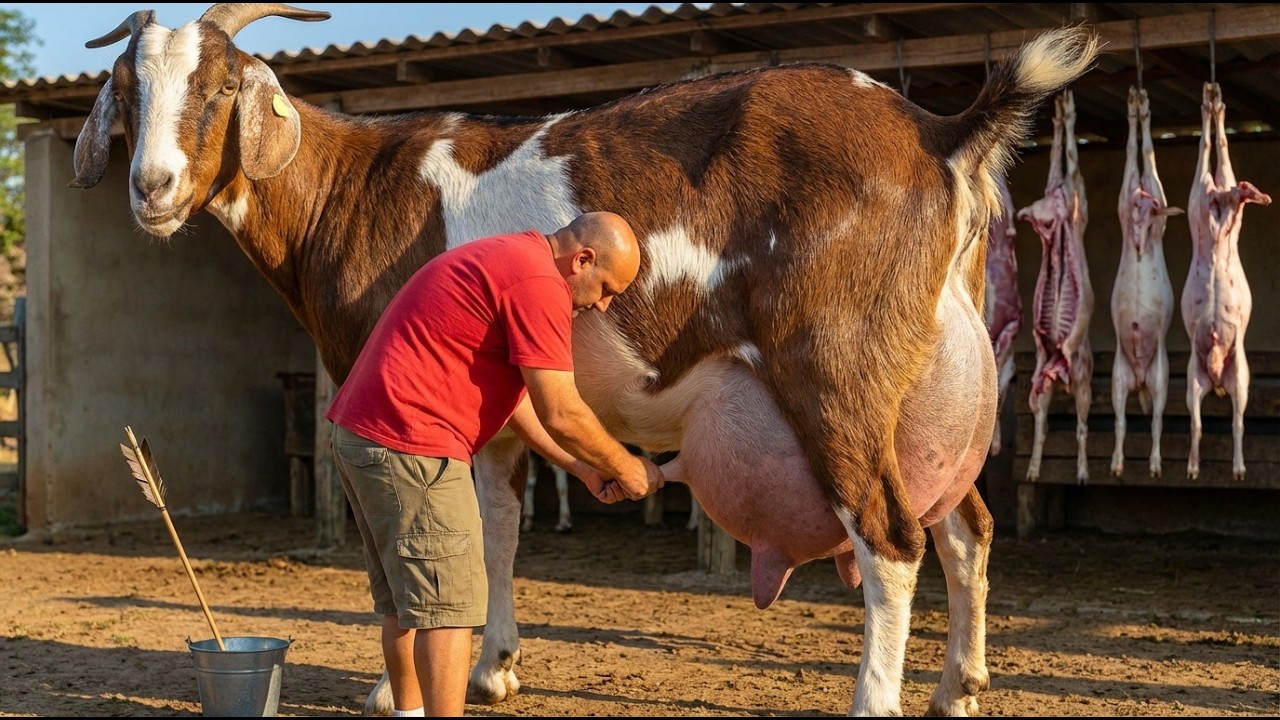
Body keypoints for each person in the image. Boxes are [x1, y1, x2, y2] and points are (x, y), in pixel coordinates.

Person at [325, 211, 666, 717]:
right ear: (583, 260)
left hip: (363, 435)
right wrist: (627, 464)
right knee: (450, 609)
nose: (603, 304)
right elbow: (562, 409)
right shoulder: (539, 283)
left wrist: (584, 468)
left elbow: (519, 404)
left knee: (408, 604)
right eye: (606, 287)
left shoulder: (510, 259)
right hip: (414, 441)